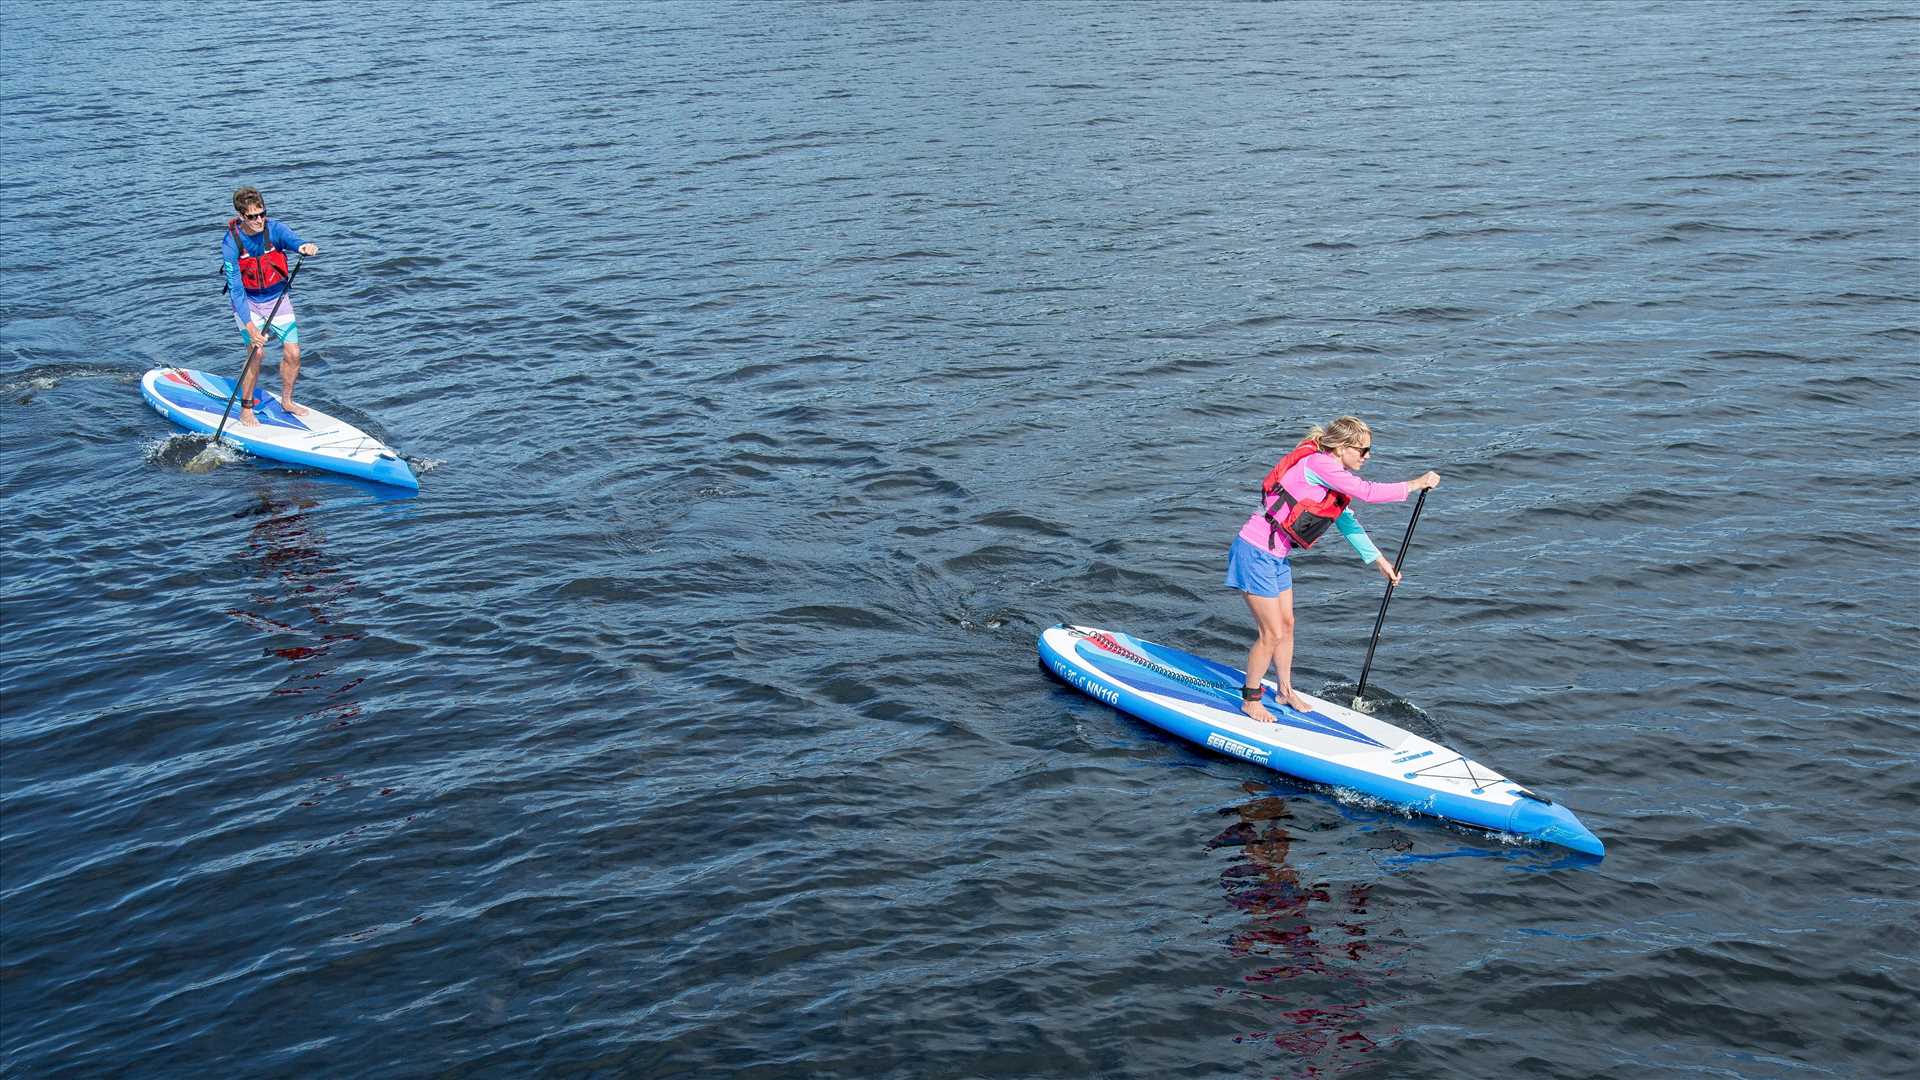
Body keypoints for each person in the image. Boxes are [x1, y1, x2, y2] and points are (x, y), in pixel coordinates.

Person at [1224, 416, 1440, 722]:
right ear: (1341, 448)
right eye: (1363, 450)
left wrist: (1380, 561)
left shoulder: (1332, 476)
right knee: (1270, 633)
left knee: (1287, 624)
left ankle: (1285, 690)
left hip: (1276, 557)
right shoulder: (1320, 465)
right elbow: (1368, 492)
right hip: (1253, 552)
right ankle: (1251, 698)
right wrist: (1416, 483)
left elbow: (1347, 521)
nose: (1368, 456)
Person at [221, 186, 318, 426]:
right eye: (253, 217)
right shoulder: (231, 242)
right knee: (257, 352)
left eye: (262, 213)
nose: (259, 220)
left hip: (278, 298)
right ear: (242, 216)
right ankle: (246, 408)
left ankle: (287, 401)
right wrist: (251, 328)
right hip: (249, 302)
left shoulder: (274, 229)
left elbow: (294, 241)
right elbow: (235, 289)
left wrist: (304, 247)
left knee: (293, 353)